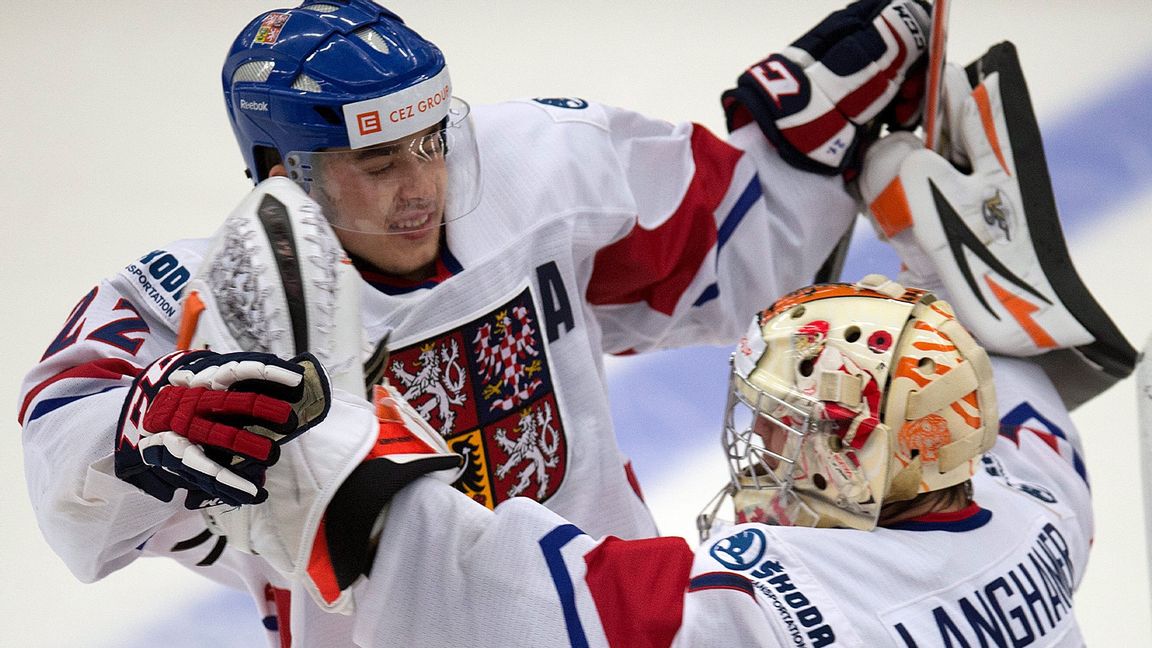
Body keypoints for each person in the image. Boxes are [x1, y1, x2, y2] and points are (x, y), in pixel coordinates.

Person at [18, 0, 947, 644]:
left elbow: (716, 254)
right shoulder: (206, 306)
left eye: (432, 142)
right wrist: (136, 429)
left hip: (608, 618)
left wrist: (798, 141)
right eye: (378, 165)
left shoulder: (535, 170)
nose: (423, 187)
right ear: (279, 167)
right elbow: (70, 463)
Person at [205, 42, 1135, 646]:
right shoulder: (1026, 517)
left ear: (866, 461)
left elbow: (498, 601)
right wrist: (967, 289)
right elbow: (1028, 419)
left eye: (795, 426)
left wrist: (334, 449)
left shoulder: (774, 605)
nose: (764, 450)